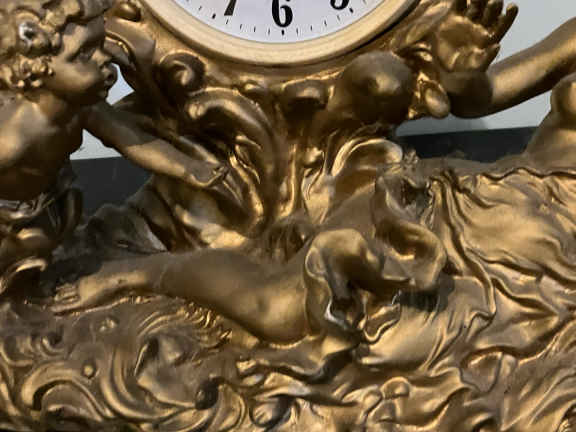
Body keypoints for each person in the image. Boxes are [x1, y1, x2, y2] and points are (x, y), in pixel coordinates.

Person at [0, 0, 226, 290]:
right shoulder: (12, 138)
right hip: (6, 217)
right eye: (84, 53)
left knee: (49, 239)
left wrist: (188, 168)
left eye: (100, 44)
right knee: (23, 252)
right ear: (34, 69)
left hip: (50, 203)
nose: (104, 58)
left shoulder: (83, 107)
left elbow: (130, 139)